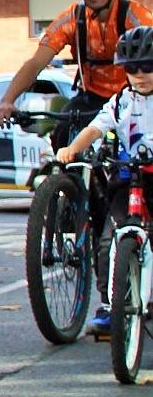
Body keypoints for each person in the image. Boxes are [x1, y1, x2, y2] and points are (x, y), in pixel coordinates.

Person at [0, 0, 151, 151]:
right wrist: (7, 100)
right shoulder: (72, 19)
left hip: (133, 95)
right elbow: (36, 63)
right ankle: (67, 182)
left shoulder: (135, 15)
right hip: (90, 98)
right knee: (62, 135)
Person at [52, 25, 153, 338]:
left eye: (148, 67)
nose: (140, 75)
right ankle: (113, 305)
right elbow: (96, 128)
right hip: (128, 178)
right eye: (133, 69)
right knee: (112, 239)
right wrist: (72, 149)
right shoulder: (121, 101)